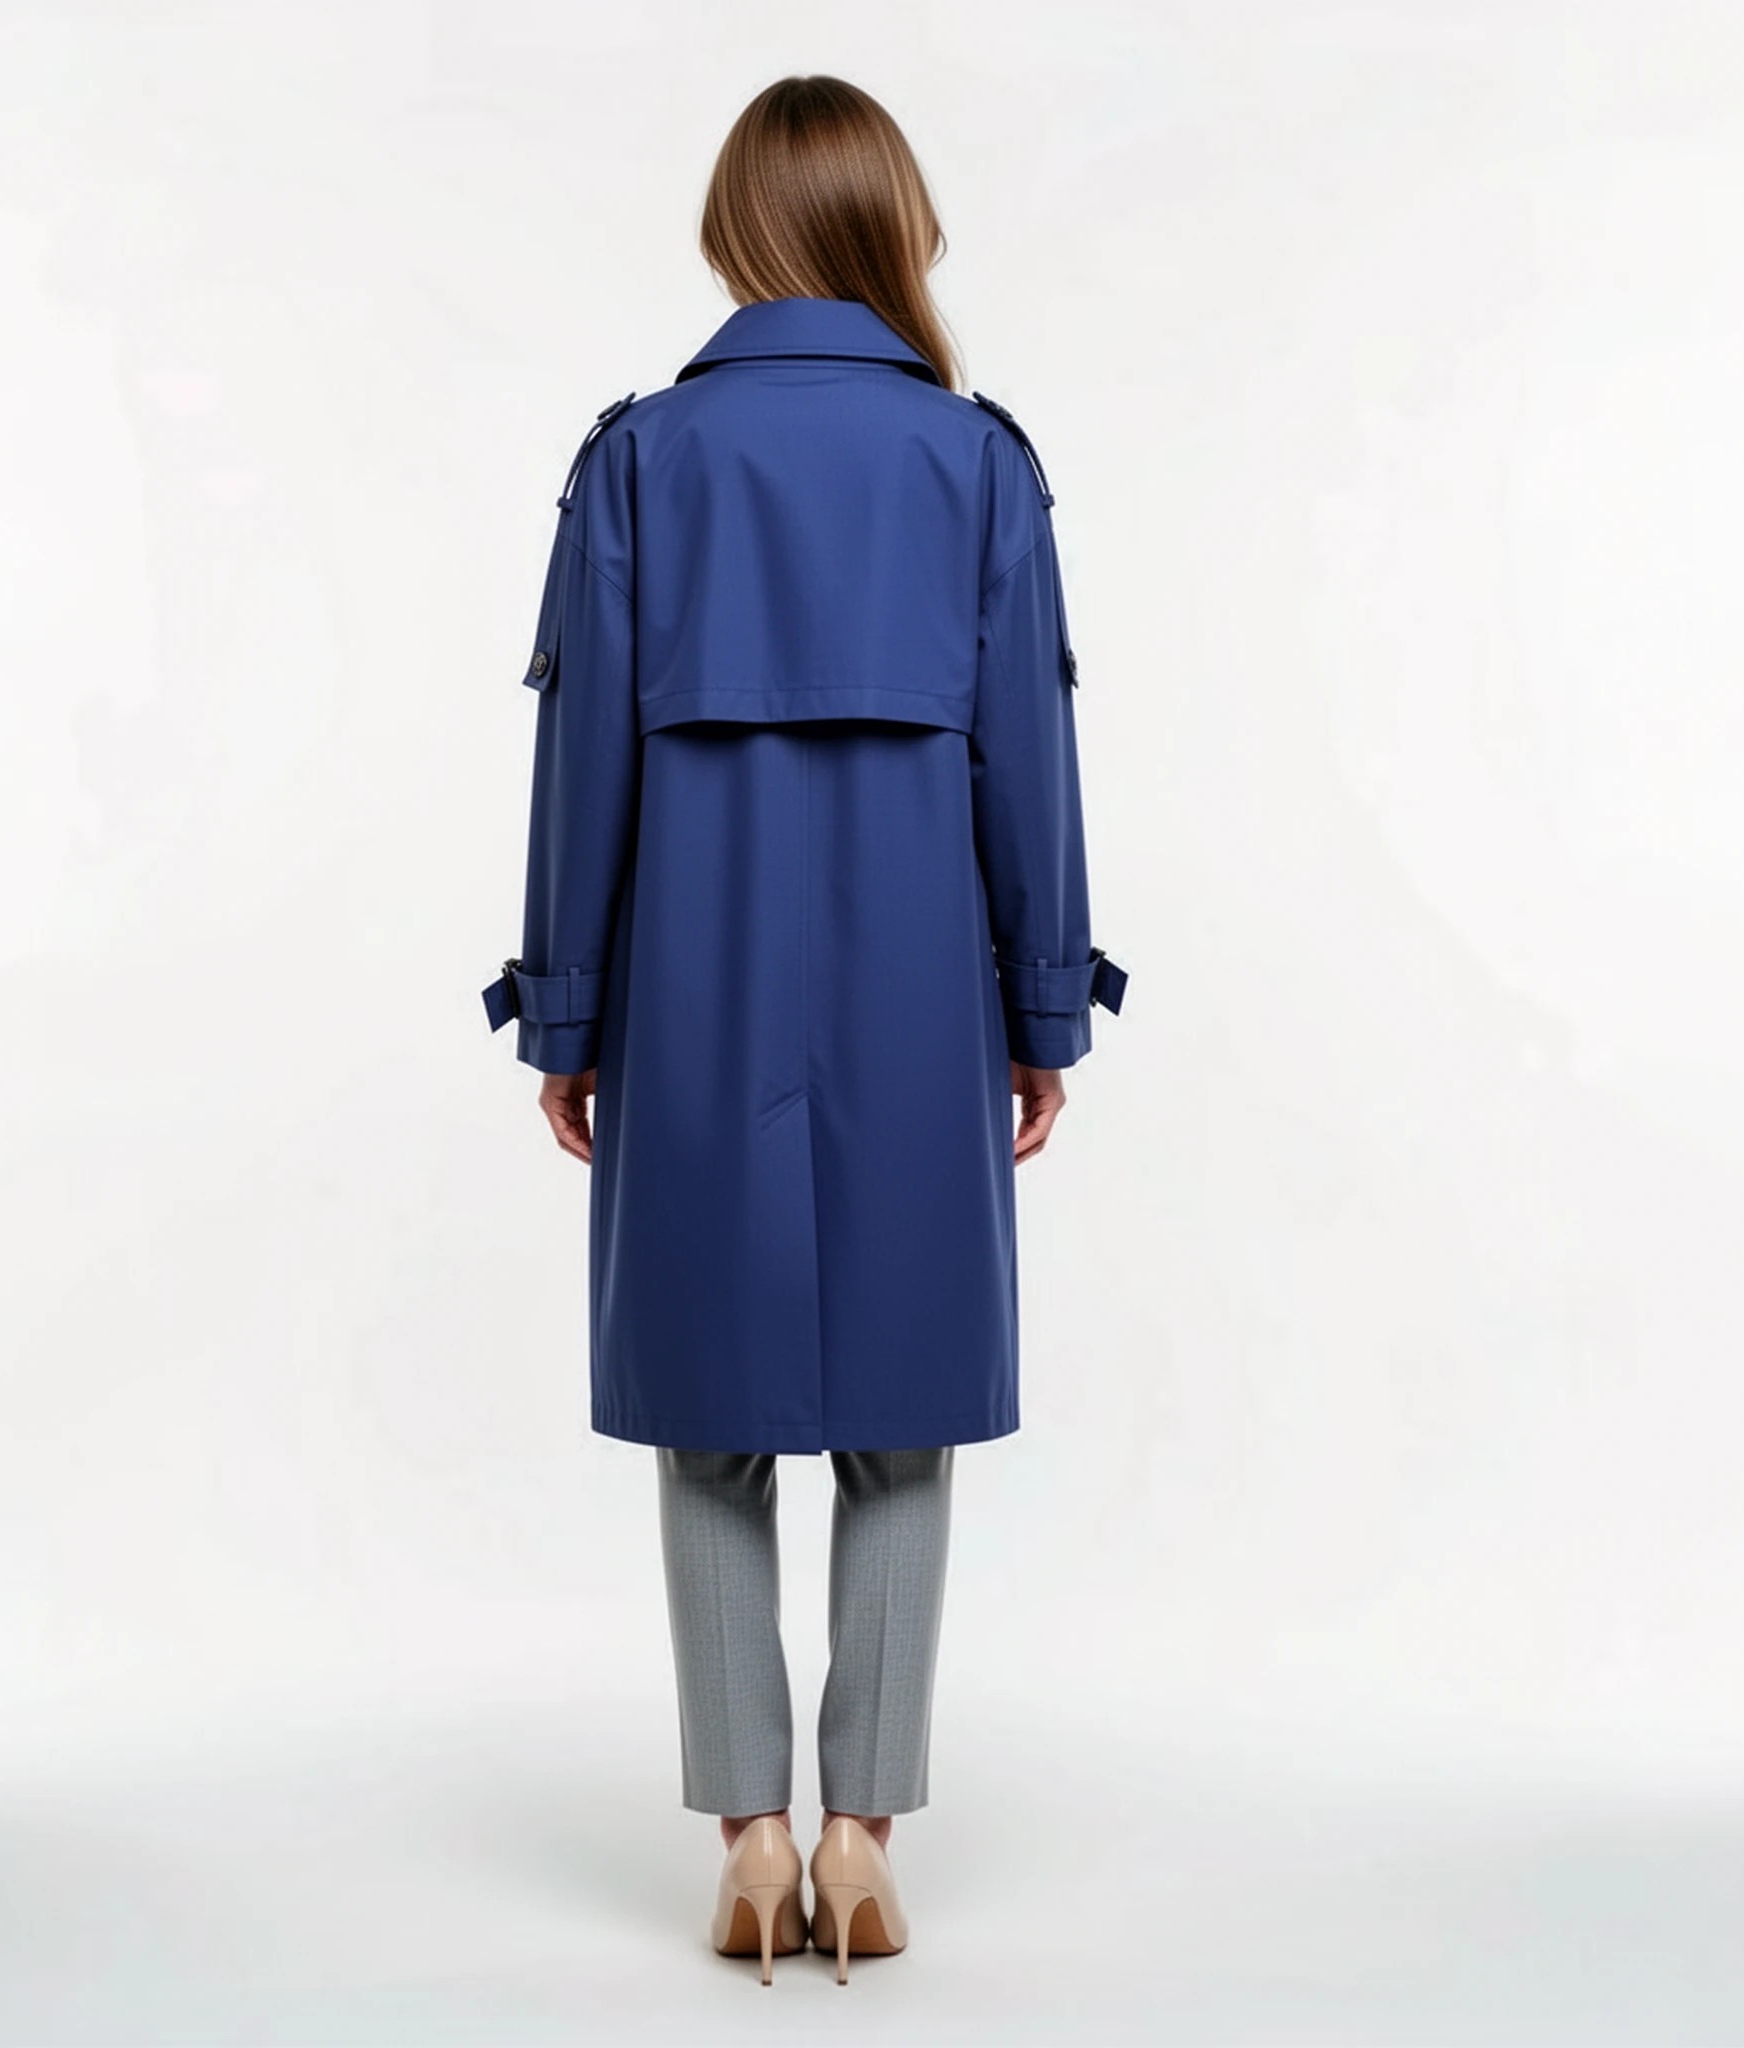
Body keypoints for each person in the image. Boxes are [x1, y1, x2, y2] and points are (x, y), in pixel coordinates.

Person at [481, 74, 1128, 1983]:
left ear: (737, 230)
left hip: (694, 977)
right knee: (902, 1412)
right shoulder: (976, 464)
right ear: (891, 227)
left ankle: (749, 1838)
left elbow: (579, 764)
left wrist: (567, 1014)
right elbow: (1034, 761)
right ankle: (863, 1838)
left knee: (710, 1413)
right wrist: (1042, 1009)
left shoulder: (641, 461)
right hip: (922, 984)